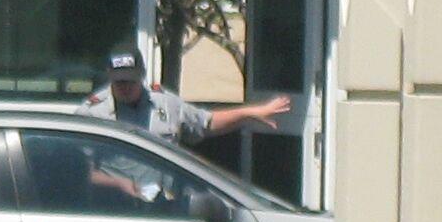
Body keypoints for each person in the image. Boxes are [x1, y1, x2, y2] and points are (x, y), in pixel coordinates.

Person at [83, 38, 290, 145]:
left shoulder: (165, 104)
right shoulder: (93, 113)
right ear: (109, 78)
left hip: (165, 207)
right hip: (115, 210)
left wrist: (249, 113)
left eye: (130, 81)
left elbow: (206, 123)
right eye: (119, 82)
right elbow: (84, 170)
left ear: (142, 76)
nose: (125, 87)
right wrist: (119, 185)